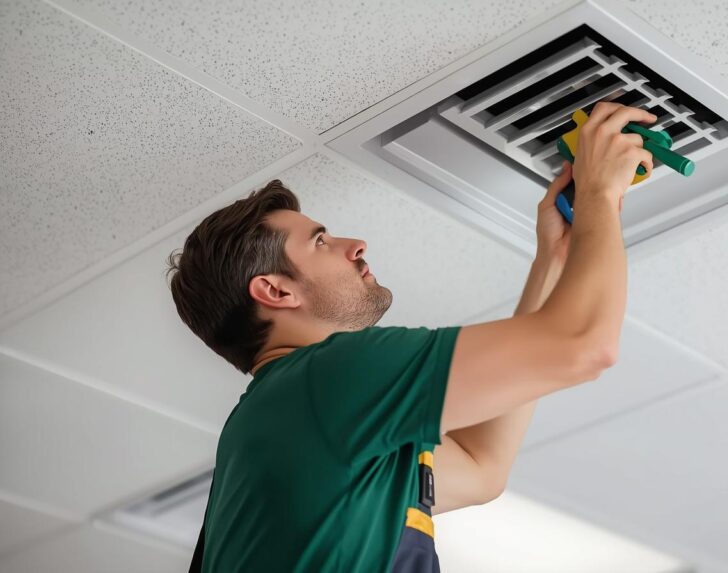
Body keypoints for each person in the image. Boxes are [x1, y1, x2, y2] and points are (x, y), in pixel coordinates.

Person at [165, 102, 657, 572]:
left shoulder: (293, 420)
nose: (355, 245)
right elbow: (584, 347)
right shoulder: (325, 378)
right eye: (321, 241)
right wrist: (599, 193)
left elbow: (479, 467)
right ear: (275, 290)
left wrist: (555, 258)